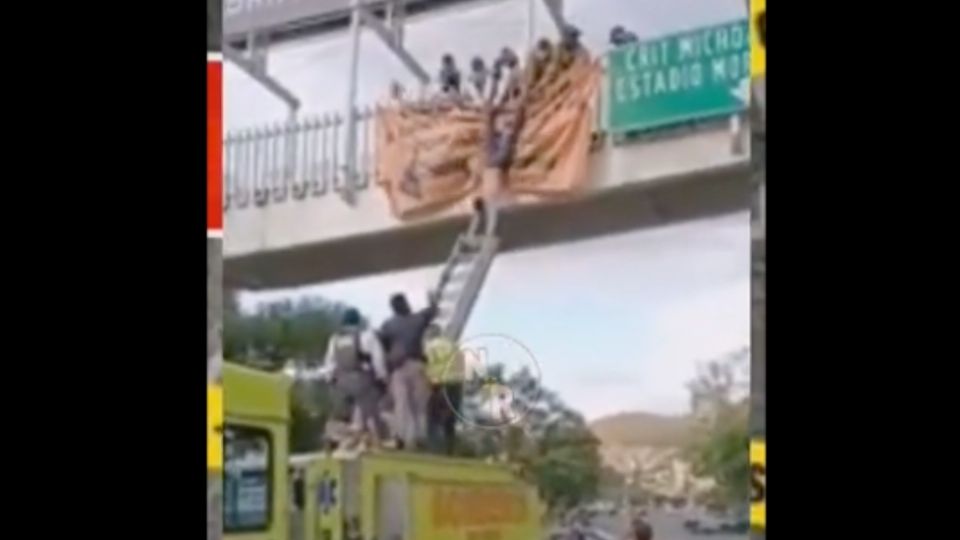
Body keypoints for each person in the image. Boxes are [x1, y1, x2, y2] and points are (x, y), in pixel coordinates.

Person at [323, 308, 388, 449]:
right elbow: (378, 359)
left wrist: (330, 380)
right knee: (370, 412)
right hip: (362, 381)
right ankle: (373, 441)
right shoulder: (367, 336)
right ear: (358, 321)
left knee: (342, 414)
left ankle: (341, 441)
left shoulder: (335, 339)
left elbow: (329, 363)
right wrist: (382, 377)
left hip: (342, 383)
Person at [380, 292, 438, 450]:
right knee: (419, 405)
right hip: (417, 365)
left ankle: (404, 437)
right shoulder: (417, 319)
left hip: (397, 369)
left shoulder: (388, 325)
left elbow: (382, 344)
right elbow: (433, 311)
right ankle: (419, 437)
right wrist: (432, 299)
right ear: (407, 303)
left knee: (402, 404)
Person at [424, 324, 464, 454]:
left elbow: (429, 366)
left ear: (429, 335)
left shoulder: (430, 346)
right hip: (456, 385)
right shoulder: (453, 346)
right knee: (450, 421)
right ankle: (449, 451)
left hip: (440, 385)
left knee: (432, 419)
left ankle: (434, 450)